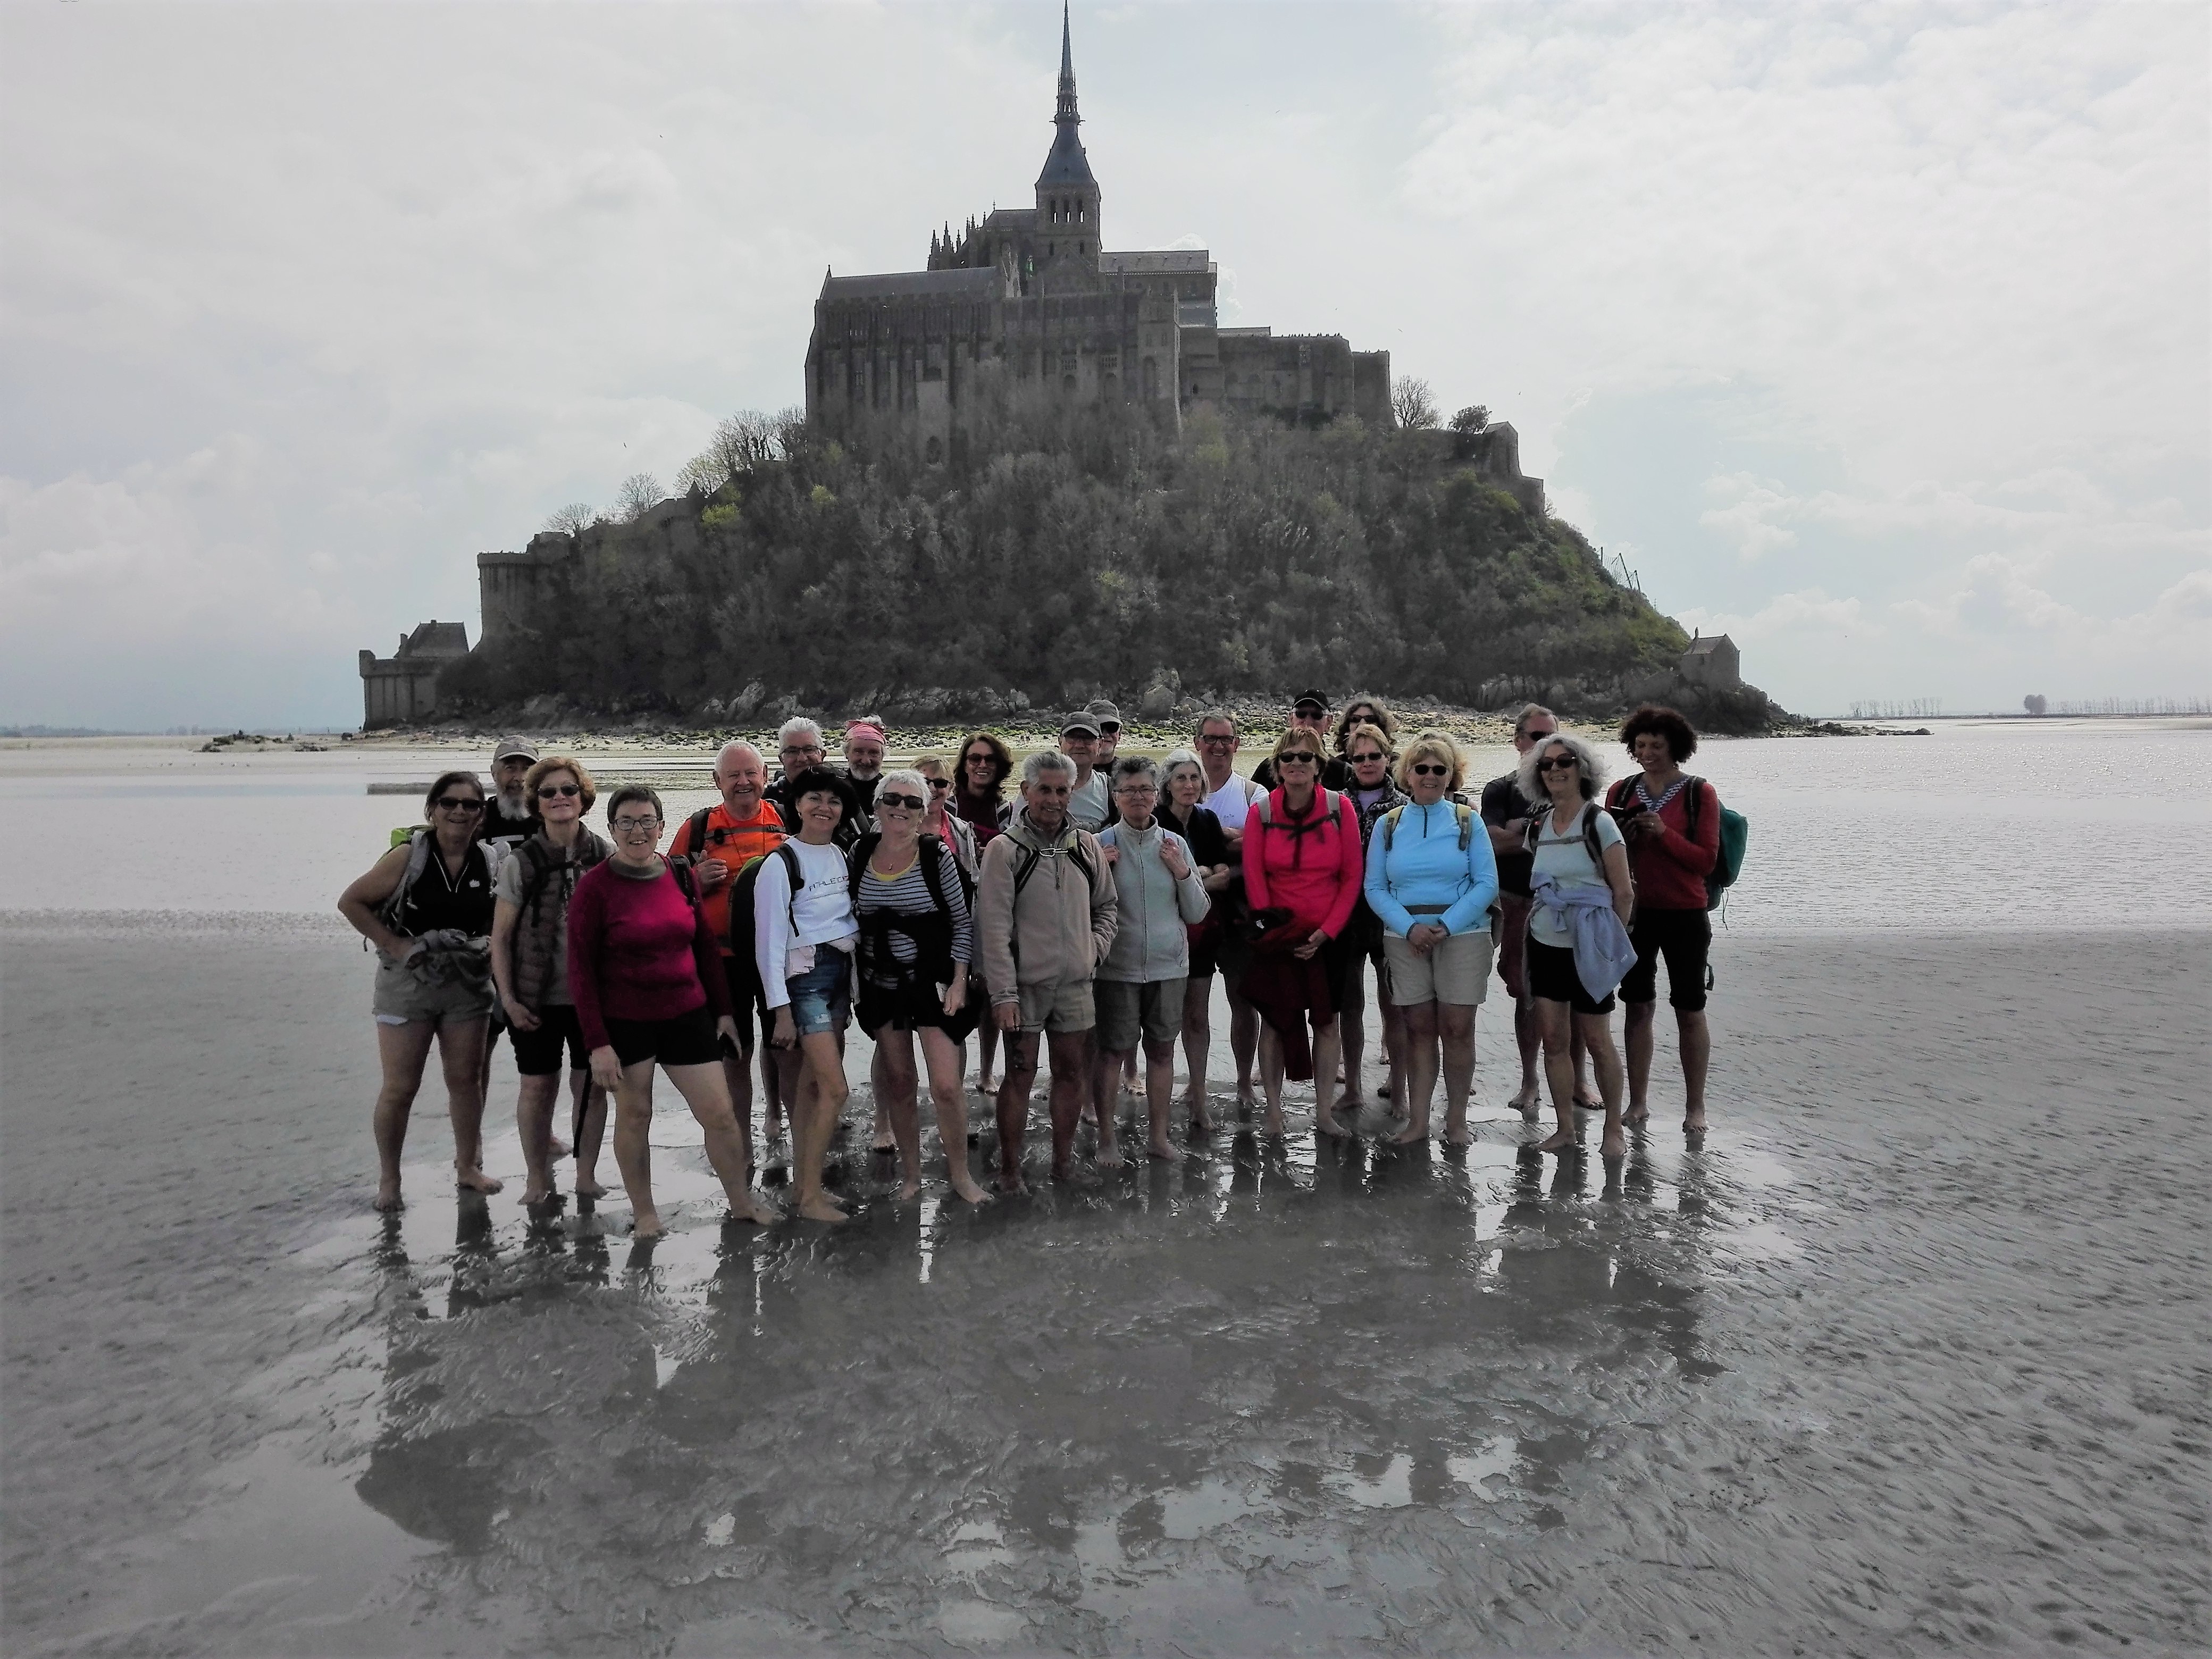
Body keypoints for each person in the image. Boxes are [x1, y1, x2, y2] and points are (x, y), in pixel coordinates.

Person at [568, 784, 774, 1238]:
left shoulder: (678, 873)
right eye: (627, 822)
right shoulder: (595, 888)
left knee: (719, 1114)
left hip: (687, 1015)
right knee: (635, 1116)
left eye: (647, 821)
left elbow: (703, 946)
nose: (638, 831)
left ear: (662, 827)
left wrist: (723, 1013)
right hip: (625, 1023)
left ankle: (740, 1201)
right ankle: (645, 1214)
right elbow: (580, 972)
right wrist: (597, 1044)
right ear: (612, 829)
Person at [339, 770, 502, 1211]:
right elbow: (350, 901)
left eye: (471, 805)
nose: (460, 811)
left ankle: (468, 1167)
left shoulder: (488, 860)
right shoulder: (407, 857)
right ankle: (390, 1179)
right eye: (449, 803)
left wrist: (488, 947)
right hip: (407, 985)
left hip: (466, 985)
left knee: (466, 1081)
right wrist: (395, 944)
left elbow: (497, 917)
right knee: (400, 1087)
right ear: (432, 809)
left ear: (481, 815)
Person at [975, 751, 1118, 1188]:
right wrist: (1003, 995)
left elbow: (1107, 907)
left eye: (1062, 790)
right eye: (1045, 790)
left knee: (1072, 1073)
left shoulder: (1086, 845)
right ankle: (1010, 1171)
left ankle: (1062, 1164)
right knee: (1019, 1075)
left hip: (1076, 984)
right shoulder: (1005, 850)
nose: (1054, 799)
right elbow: (993, 929)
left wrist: (1092, 951)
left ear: (1072, 792)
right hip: (1023, 987)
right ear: (1026, 792)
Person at [850, 768, 989, 1203]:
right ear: (876, 806)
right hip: (882, 986)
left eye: (913, 802)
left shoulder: (936, 855)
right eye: (893, 799)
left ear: (927, 808)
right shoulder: (860, 851)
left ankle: (962, 1178)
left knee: (946, 1087)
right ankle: (911, 1177)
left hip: (932, 984)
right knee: (900, 1082)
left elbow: (962, 920)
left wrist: (960, 981)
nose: (902, 808)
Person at [1363, 732, 1499, 1145]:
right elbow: (1375, 887)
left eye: (1439, 769)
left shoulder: (1467, 820)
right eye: (1421, 768)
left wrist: (1446, 926)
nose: (1430, 775)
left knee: (1458, 1028)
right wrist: (1410, 928)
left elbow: (1487, 883)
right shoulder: (1388, 825)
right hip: (1404, 937)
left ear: (1451, 775)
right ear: (1407, 774)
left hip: (1463, 935)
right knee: (1419, 1029)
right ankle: (1419, 1122)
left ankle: (1456, 1121)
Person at [489, 756, 613, 1207]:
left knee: (592, 1085)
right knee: (538, 1087)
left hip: (591, 1000)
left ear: (583, 798)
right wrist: (508, 998)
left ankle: (585, 1175)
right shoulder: (521, 864)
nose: (560, 798)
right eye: (548, 792)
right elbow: (499, 940)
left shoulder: (603, 855)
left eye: (568, 790)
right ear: (536, 803)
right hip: (535, 997)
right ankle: (537, 1178)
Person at [667, 740, 793, 1164]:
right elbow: (663, 895)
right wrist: (694, 881)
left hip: (780, 959)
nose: (743, 782)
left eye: (751, 773)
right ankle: (741, 1140)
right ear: (717, 782)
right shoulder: (698, 827)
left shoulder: (786, 820)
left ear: (765, 776)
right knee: (735, 1050)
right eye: (733, 775)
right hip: (722, 961)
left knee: (784, 1046)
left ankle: (783, 1124)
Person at [1241, 728, 1364, 1138]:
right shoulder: (1262, 812)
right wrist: (1277, 930)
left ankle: (1323, 1112)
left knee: (1327, 1024)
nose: (1297, 764)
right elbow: (1255, 875)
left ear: (1319, 767)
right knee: (1275, 1021)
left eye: (1306, 758)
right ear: (1276, 767)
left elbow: (1352, 877)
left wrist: (1326, 933)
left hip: (1329, 938)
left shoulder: (1339, 807)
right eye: (1288, 757)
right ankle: (1275, 1112)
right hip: (1277, 936)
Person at [1519, 732, 1636, 1159]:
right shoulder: (1540, 826)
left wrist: (1608, 946)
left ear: (1581, 768)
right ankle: (1565, 1128)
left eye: (1564, 761)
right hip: (1547, 942)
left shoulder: (1599, 822)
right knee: (1553, 1040)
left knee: (1597, 1039)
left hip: (1589, 946)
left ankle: (1613, 1129)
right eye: (1546, 764)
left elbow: (1623, 892)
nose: (1555, 769)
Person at [753, 766, 862, 1224]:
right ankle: (812, 1194)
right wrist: (779, 1012)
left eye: (834, 801)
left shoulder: (840, 855)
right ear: (796, 805)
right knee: (835, 1090)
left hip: (841, 972)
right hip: (805, 979)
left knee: (811, 1088)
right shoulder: (780, 863)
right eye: (814, 798)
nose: (825, 807)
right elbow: (769, 945)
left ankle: (803, 1187)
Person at [1606, 706, 1720, 1134]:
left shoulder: (1699, 793)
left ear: (1676, 747)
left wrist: (1664, 835)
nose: (1648, 752)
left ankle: (1696, 1108)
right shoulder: (1619, 792)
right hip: (1635, 913)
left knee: (1690, 1008)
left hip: (1686, 913)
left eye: (1657, 745)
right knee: (1637, 1007)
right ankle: (1637, 1103)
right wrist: (1629, 839)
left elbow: (1706, 862)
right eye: (1641, 745)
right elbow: (1607, 855)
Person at [1094, 758, 1212, 1159]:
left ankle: (1159, 1139)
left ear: (1157, 795)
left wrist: (1181, 872)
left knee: (1162, 1052)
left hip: (1169, 967)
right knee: (1111, 1054)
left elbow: (1198, 911)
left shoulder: (1174, 845)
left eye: (1146, 789)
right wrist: (1100, 872)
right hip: (1117, 968)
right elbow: (1081, 913)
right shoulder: (1099, 844)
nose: (1139, 798)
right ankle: (1107, 1138)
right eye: (1129, 791)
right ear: (1116, 797)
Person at [1481, 703, 1596, 1116]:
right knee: (1526, 993)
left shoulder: (1572, 787)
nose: (1545, 747)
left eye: (1552, 739)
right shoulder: (1500, 789)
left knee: (1578, 992)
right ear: (1518, 742)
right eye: (1535, 737)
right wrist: (1537, 831)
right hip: (1516, 900)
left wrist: (1520, 831)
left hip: (1572, 902)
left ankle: (1580, 1080)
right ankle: (1530, 1080)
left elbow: (1591, 835)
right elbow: (1491, 841)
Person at [1156, 750, 1235, 1125]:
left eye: (1194, 778)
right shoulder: (1154, 821)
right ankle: (1164, 1087)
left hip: (1203, 930)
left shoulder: (1207, 819)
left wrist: (1191, 875)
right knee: (1164, 1020)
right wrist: (1197, 875)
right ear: (1167, 785)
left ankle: (1199, 1091)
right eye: (1181, 778)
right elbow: (1160, 884)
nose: (1189, 785)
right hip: (1163, 933)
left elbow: (1224, 874)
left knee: (1198, 1016)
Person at [1193, 710, 1264, 1109]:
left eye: (1226, 739)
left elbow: (1263, 847)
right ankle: (1197, 1083)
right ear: (1197, 743)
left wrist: (1215, 840)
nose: (1218, 746)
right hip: (1195, 914)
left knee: (1243, 1001)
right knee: (1194, 1006)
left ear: (1237, 744)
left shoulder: (1254, 793)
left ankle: (1243, 1080)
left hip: (1240, 913)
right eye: (1210, 738)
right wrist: (1234, 839)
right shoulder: (1183, 787)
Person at [1338, 722, 1406, 1116]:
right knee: (1350, 1005)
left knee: (1394, 1005)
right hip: (1348, 914)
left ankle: (1399, 1090)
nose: (1367, 763)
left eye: (1374, 756)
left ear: (1388, 758)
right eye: (1359, 757)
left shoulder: (1405, 805)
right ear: (1350, 761)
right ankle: (1353, 1088)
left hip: (1390, 915)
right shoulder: (1336, 802)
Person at [951, 730, 1016, 1092]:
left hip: (995, 906)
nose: (981, 765)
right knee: (961, 996)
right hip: (958, 906)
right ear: (964, 765)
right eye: (974, 758)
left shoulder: (1006, 810)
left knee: (994, 991)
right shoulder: (948, 806)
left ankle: (988, 1071)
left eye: (989, 760)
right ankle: (954, 1077)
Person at [1252, 691, 1354, 790]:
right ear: (1291, 719)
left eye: (1317, 715)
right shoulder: (1267, 770)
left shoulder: (1343, 773)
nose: (1308, 721)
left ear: (1329, 721)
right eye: (1301, 714)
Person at [1060, 711, 1111, 832]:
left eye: (1088, 739)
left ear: (1100, 744)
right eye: (1072, 738)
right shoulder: (1038, 786)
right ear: (1060, 741)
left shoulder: (1111, 789)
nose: (1079, 745)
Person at [841, 716, 889, 817]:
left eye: (874, 753)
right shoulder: (835, 790)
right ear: (847, 753)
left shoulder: (891, 792)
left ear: (882, 756)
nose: (866, 761)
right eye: (859, 752)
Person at [1086, 699, 1123, 769]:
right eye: (1100, 727)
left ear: (1119, 733)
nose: (1105, 734)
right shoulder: (1071, 774)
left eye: (1112, 727)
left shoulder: (1130, 773)